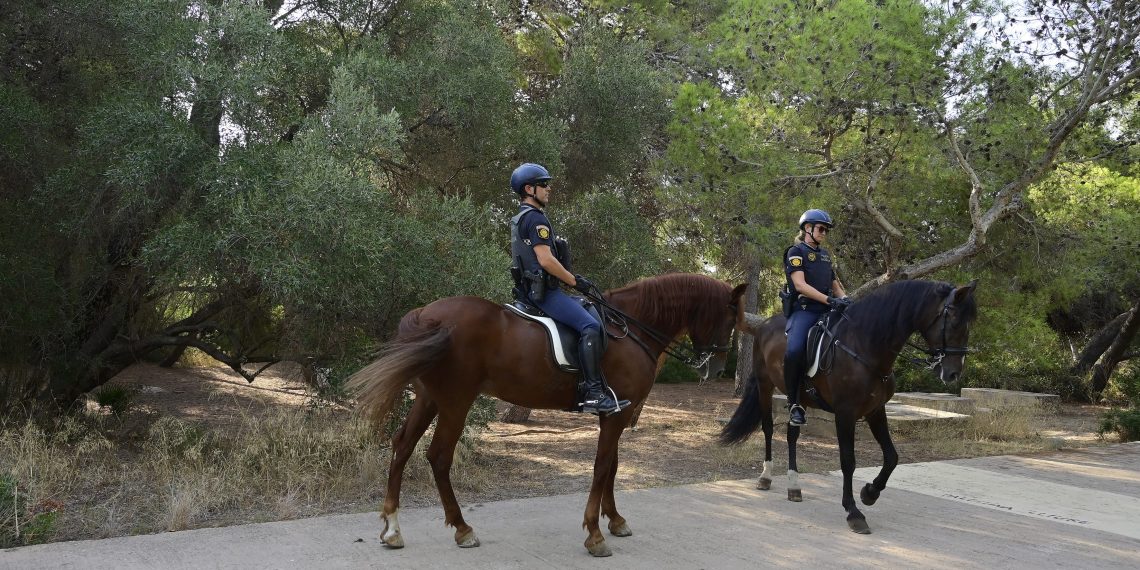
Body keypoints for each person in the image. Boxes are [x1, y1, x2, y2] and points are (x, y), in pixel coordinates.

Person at [508, 163, 630, 416]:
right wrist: (574, 281)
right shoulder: (535, 218)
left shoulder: (519, 217)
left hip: (531, 291)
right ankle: (595, 394)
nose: (549, 188)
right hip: (544, 294)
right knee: (591, 327)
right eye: (544, 184)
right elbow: (546, 260)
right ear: (529, 189)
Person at [783, 209, 850, 426]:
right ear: (807, 229)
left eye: (826, 230)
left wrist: (847, 301)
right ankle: (794, 403)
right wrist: (829, 300)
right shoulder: (796, 252)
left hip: (827, 309)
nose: (824, 233)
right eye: (821, 228)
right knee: (793, 351)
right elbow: (800, 285)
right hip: (805, 311)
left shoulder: (825, 255)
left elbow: (835, 285)